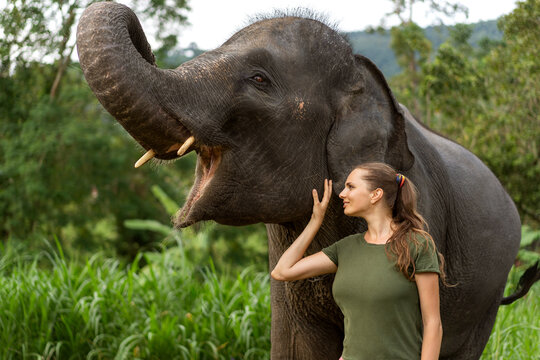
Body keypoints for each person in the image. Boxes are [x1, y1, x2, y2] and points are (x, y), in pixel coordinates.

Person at [271, 162, 446, 360]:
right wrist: (315, 221)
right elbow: (282, 271)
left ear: (375, 194)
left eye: (351, 187)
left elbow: (433, 323)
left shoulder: (417, 244)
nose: (342, 194)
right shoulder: (345, 248)